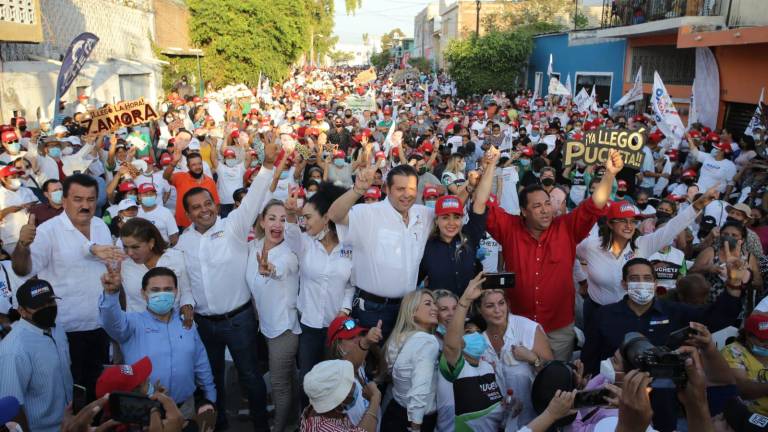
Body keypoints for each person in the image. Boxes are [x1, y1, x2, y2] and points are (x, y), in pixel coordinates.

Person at [175, 141, 277, 431]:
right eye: (196, 208)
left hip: (239, 320)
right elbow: (185, 279)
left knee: (250, 376)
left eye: (208, 204)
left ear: (216, 204)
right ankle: (219, 426)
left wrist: (267, 165)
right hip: (205, 325)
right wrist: (187, 302)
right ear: (188, 214)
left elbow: (255, 198)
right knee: (211, 379)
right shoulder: (184, 241)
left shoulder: (232, 226)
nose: (204, 210)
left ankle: (261, 427)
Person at [486, 150, 624, 361]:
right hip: (518, 327)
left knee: (556, 384)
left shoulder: (566, 227)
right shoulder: (509, 228)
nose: (545, 210)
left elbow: (595, 204)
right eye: (537, 206)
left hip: (558, 330)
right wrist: (489, 168)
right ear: (523, 211)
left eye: (548, 203)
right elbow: (484, 207)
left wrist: (610, 175)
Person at [582, 257, 743, 431]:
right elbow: (590, 359)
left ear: (655, 282)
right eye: (635, 279)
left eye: (647, 278)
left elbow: (715, 318)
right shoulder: (604, 315)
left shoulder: (674, 312)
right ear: (624, 284)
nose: (641, 283)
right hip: (616, 402)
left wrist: (733, 286)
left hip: (663, 402)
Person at [11, 174, 124, 401]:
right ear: (64, 201)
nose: (85, 205)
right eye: (78, 199)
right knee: (73, 397)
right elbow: (23, 270)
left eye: (91, 199)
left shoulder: (101, 225)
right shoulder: (47, 232)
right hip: (66, 331)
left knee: (99, 393)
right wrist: (22, 244)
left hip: (101, 326)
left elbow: (112, 275)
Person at [577, 187, 717, 324]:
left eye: (633, 221)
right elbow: (568, 252)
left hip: (629, 314)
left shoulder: (642, 245)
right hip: (596, 312)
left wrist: (698, 205)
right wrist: (581, 279)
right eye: (623, 220)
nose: (629, 225)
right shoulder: (590, 246)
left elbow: (672, 228)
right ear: (610, 224)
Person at [328, 164, 434, 338]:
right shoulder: (368, 213)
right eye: (400, 189)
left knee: (398, 362)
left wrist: (468, 187)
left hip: (407, 311)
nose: (407, 195)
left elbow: (449, 214)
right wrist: (357, 190)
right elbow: (334, 215)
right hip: (372, 311)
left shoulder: (422, 214)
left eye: (412, 189)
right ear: (387, 189)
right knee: (369, 360)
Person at [98, 265, 215, 415]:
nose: (162, 294)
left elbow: (200, 360)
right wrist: (111, 294)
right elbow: (111, 321)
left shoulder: (186, 324)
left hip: (185, 407)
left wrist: (210, 397)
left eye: (168, 289)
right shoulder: (132, 324)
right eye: (155, 290)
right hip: (145, 410)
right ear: (143, 293)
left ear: (176, 292)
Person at [283, 183, 353, 401]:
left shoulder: (350, 247)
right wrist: (292, 215)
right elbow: (291, 234)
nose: (305, 222)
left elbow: (351, 284)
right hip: (309, 327)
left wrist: (345, 309)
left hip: (338, 329)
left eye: (308, 217)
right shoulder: (305, 243)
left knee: (336, 382)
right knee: (309, 381)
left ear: (326, 218)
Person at [246, 199, 301, 432]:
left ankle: (278, 427)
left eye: (282, 219)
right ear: (262, 221)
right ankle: (296, 419)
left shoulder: (290, 253)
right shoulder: (254, 247)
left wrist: (271, 270)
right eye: (272, 218)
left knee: (279, 383)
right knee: (289, 378)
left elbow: (283, 268)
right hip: (264, 327)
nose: (277, 224)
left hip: (284, 329)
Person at [419, 147, 496, 296]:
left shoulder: (470, 236)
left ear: (462, 219)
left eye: (456, 217)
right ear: (437, 220)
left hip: (469, 313)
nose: (451, 223)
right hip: (438, 315)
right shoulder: (425, 246)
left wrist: (490, 166)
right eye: (445, 217)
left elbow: (480, 201)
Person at [0, 279, 72, 432]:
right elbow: (12, 407)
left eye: (50, 302)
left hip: (70, 423)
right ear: (22, 311)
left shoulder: (57, 328)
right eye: (39, 305)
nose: (47, 308)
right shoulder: (14, 350)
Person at [477, 287, 553, 430]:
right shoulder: (478, 342)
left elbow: (552, 375)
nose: (497, 310)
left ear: (508, 304)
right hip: (495, 424)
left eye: (501, 303)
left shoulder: (527, 329)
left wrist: (533, 359)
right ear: (479, 309)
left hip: (533, 422)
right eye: (489, 306)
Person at [439, 273, 506, 431]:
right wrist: (464, 302)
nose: (475, 336)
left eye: (478, 331)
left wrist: (508, 408)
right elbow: (451, 346)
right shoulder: (453, 365)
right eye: (468, 332)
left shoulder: (487, 367)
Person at [381, 290, 440, 432]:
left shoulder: (396, 339)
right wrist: (416, 426)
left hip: (393, 412)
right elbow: (420, 387)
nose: (435, 308)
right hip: (415, 421)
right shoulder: (427, 342)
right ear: (412, 312)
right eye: (428, 304)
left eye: (434, 304)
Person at [119, 218, 192, 318]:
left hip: (174, 324)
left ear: (151, 242)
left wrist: (187, 306)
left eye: (135, 247)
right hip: (139, 328)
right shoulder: (124, 265)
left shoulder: (176, 258)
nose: (129, 253)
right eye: (125, 247)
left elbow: (186, 291)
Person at [326, 315, 384, 426]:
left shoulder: (361, 367)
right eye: (351, 337)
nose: (359, 340)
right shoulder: (336, 377)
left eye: (361, 335)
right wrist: (375, 399)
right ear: (337, 345)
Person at [300, 360, 381, 432]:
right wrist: (375, 398)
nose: (354, 386)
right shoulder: (321, 428)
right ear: (337, 400)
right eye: (349, 384)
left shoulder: (327, 407)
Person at [691, 221, 762, 303]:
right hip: (710, 305)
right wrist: (708, 268)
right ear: (720, 235)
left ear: (742, 239)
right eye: (725, 234)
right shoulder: (711, 252)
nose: (729, 237)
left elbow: (758, 283)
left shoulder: (748, 257)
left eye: (734, 235)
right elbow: (691, 272)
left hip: (737, 305)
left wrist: (743, 277)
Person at [163, 131, 220, 228]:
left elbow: (216, 204)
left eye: (199, 164)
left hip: (205, 226)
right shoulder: (181, 177)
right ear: (188, 166)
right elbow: (166, 176)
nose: (197, 167)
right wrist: (174, 161)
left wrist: (215, 222)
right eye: (193, 165)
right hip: (184, 226)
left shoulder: (210, 182)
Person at [721, 311, 768, 416]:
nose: (767, 344)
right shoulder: (733, 352)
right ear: (748, 336)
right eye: (762, 340)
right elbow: (741, 388)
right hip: (751, 416)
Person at [0, 165, 38, 253]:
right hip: (11, 239)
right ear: (3, 179)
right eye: (13, 177)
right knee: (17, 265)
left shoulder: (27, 191)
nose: (16, 179)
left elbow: (40, 207)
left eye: (18, 176)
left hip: (32, 236)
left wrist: (32, 206)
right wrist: (8, 210)